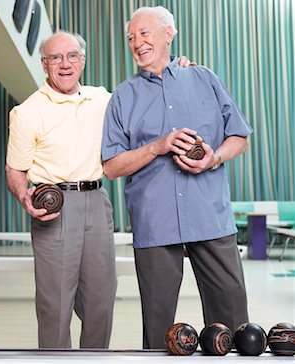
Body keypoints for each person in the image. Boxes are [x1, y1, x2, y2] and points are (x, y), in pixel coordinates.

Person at [101, 6, 252, 349]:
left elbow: (239, 138)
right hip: (155, 222)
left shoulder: (204, 78)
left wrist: (214, 158)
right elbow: (111, 167)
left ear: (168, 34)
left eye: (144, 33)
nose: (137, 42)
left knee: (233, 321)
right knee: (158, 331)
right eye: (131, 37)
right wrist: (156, 147)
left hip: (210, 217)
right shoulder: (123, 96)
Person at [5, 31, 117, 349]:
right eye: (55, 57)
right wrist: (24, 195)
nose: (65, 64)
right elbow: (15, 169)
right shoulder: (27, 112)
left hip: (97, 201)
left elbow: (140, 103)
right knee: (55, 306)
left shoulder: (102, 99)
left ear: (82, 60)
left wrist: (177, 69)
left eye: (72, 56)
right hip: (54, 207)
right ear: (44, 64)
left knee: (101, 301)